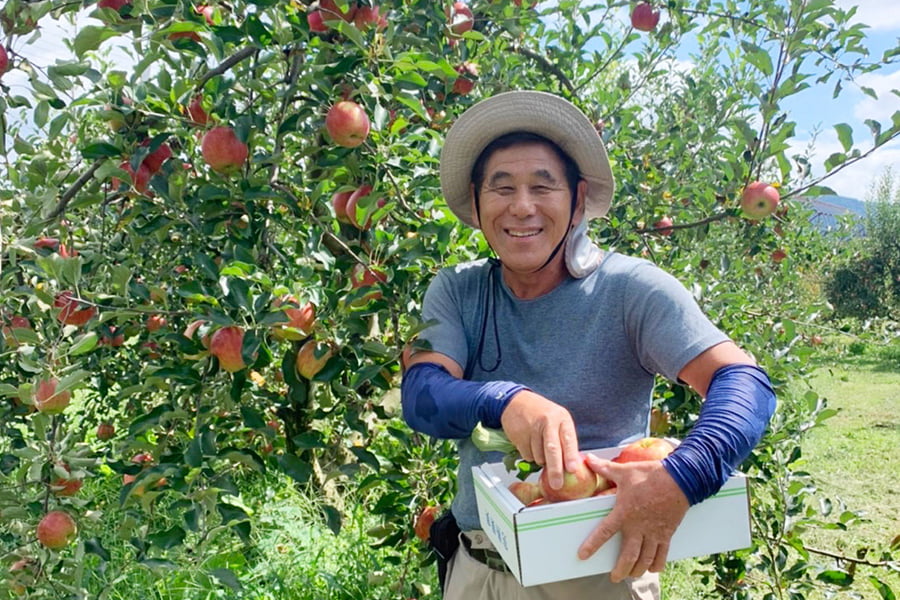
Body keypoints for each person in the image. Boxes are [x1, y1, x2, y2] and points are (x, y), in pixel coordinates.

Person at [400, 90, 776, 600]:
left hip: (597, 575)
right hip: (479, 568)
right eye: (502, 187)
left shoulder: (630, 290)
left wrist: (686, 473)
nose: (522, 206)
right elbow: (423, 395)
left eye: (543, 186)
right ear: (478, 201)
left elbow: (743, 381)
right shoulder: (460, 290)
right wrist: (503, 399)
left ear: (577, 201)